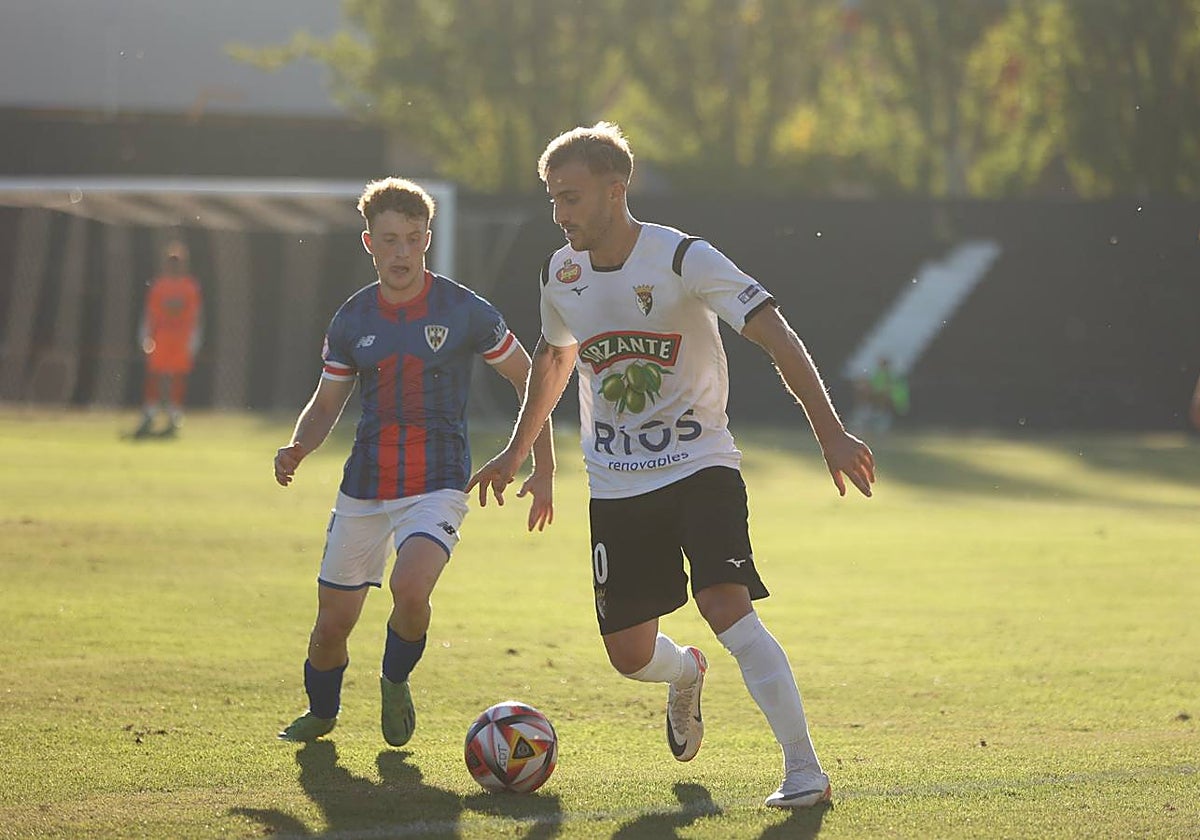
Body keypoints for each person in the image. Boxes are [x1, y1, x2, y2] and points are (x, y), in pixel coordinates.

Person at [468, 122, 876, 809]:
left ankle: (805, 771)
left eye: (571, 197)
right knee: (630, 654)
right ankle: (685, 672)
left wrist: (830, 431)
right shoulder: (558, 273)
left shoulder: (684, 258)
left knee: (726, 605)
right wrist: (521, 454)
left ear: (615, 190)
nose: (560, 213)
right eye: (552, 199)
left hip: (700, 466)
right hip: (616, 483)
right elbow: (555, 357)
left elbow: (774, 331)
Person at [274, 177, 555, 745]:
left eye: (411, 238)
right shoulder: (352, 320)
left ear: (427, 238)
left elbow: (535, 379)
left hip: (439, 482)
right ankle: (323, 713)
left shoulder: (464, 310)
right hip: (366, 485)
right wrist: (300, 443)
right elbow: (327, 400)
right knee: (331, 627)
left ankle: (394, 679)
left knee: (410, 587)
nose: (400, 251)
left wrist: (538, 465)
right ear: (368, 242)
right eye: (388, 239)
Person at [132, 241, 203, 438]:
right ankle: (150, 412)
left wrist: (195, 338)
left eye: (177, 262)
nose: (174, 266)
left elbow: (195, 314)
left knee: (178, 376)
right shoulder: (159, 286)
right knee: (155, 375)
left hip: (181, 338)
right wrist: (145, 334)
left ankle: (174, 414)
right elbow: (150, 312)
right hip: (161, 337)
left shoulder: (190, 287)